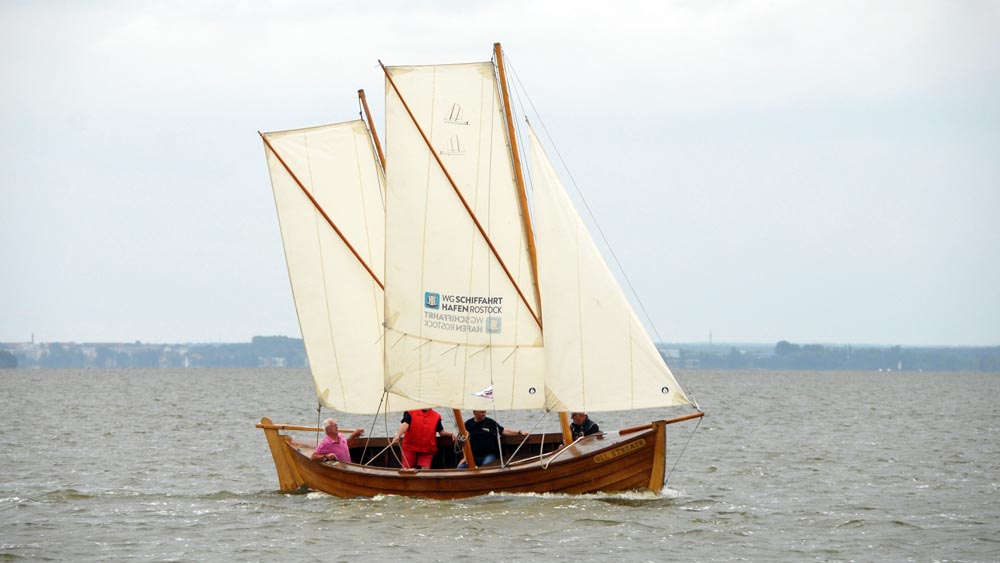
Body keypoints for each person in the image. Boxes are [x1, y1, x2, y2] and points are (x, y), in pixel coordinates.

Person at [457, 410, 528, 469]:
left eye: (484, 412)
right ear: (474, 413)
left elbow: (503, 431)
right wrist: (465, 457)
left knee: (485, 468)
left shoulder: (490, 422)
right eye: (481, 412)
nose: (483, 414)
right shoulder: (468, 424)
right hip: (473, 457)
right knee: (460, 468)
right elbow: (463, 440)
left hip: (488, 455)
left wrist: (519, 432)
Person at [390, 408, 455, 469]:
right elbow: (405, 424)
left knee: (425, 470)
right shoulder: (410, 412)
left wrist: (451, 434)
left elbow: (441, 432)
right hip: (410, 447)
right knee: (406, 470)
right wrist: (398, 435)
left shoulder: (436, 416)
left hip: (427, 450)